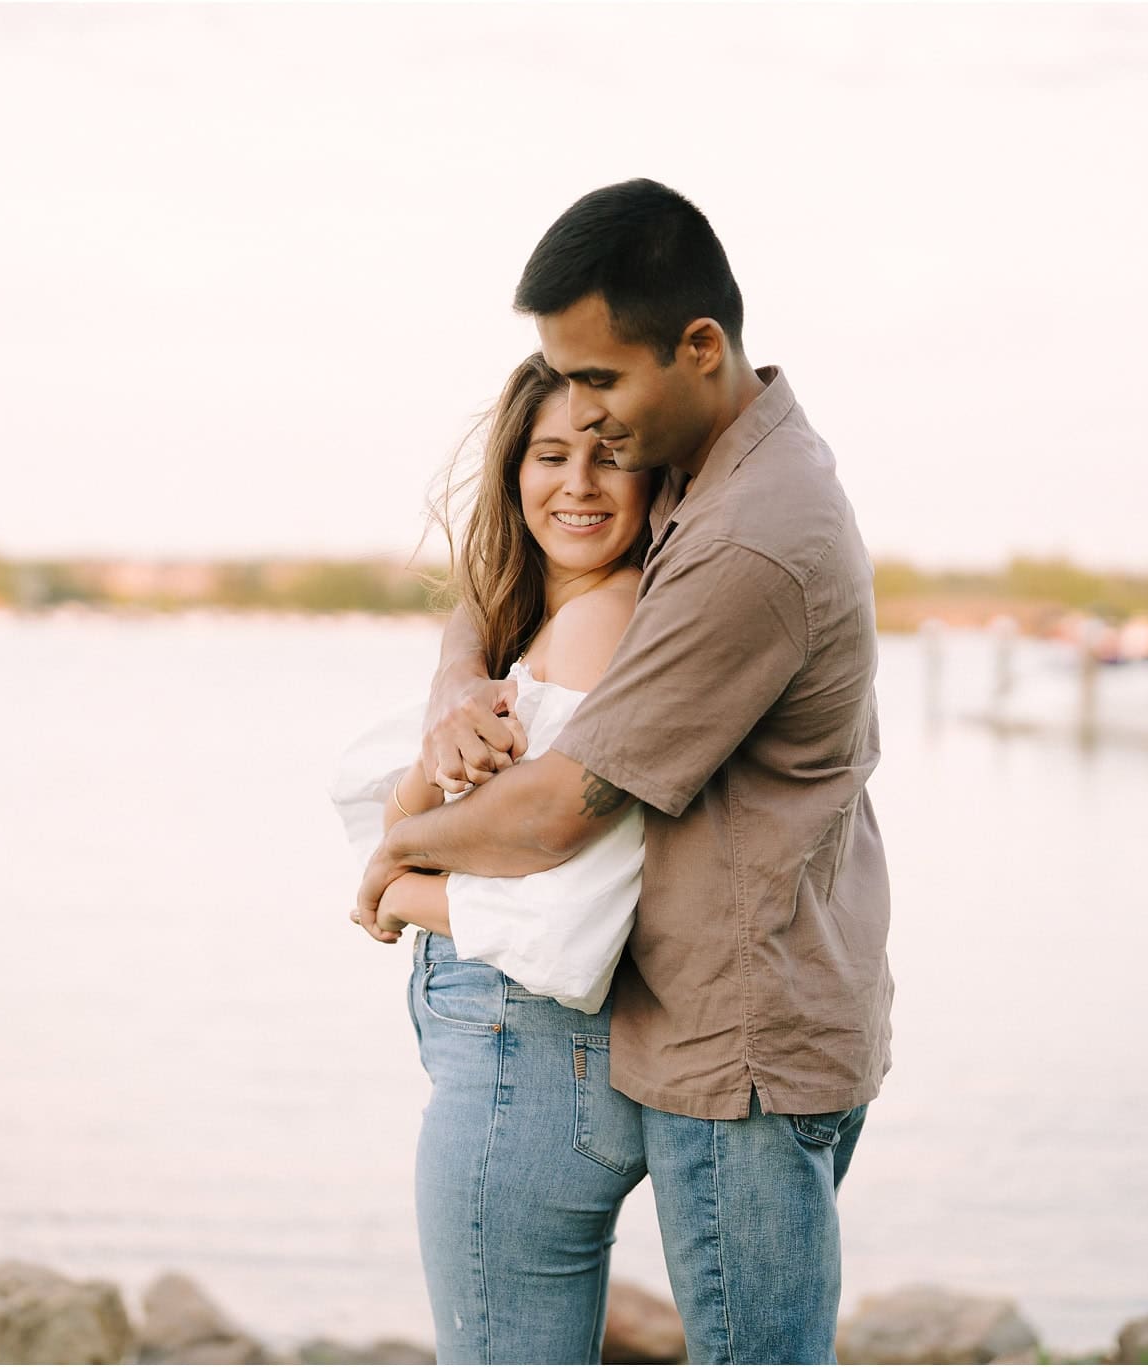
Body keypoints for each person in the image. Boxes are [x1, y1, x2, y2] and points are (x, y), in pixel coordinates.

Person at [353, 179, 894, 1365]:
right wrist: (457, 685)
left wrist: (395, 855)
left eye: (601, 386)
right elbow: (511, 584)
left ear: (697, 347)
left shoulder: (744, 536)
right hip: (710, 1019)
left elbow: (556, 814)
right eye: (558, 414)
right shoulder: (717, 473)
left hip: (729, 1044)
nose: (589, 443)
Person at [328, 352, 661, 1363]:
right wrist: (453, 684)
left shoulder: (602, 619)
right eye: (549, 454)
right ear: (512, 472)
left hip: (526, 1054)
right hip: (541, 1057)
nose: (578, 482)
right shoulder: (559, 616)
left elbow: (569, 913)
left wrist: (402, 885)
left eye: (612, 456)